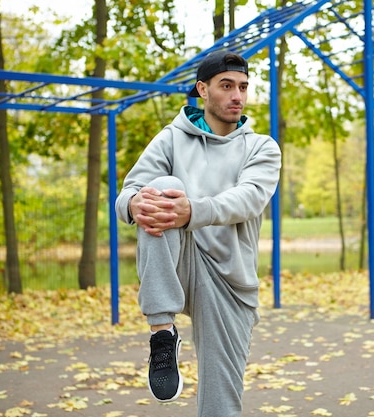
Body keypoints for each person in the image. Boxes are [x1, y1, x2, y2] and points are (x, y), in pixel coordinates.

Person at [115, 50, 281, 417]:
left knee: (221, 404)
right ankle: (162, 330)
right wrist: (132, 205)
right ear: (202, 90)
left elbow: (249, 199)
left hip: (230, 279)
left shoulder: (261, 147)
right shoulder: (171, 138)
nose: (237, 95)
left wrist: (192, 210)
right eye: (226, 86)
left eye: (243, 87)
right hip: (179, 262)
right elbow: (128, 192)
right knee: (159, 188)